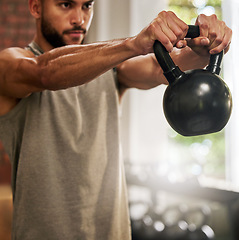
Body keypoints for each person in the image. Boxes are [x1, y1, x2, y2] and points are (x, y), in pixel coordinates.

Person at [0, 0, 232, 239]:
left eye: (87, 6)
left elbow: (158, 67)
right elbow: (44, 72)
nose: (79, 18)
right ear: (36, 7)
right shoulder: (10, 63)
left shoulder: (112, 69)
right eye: (66, 5)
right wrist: (132, 44)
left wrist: (206, 48)